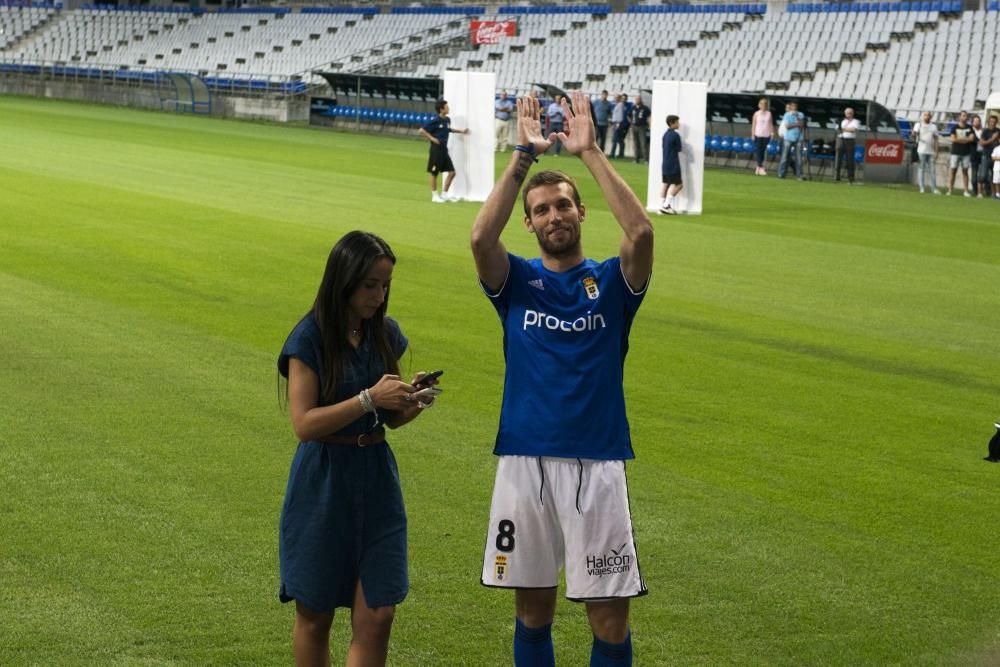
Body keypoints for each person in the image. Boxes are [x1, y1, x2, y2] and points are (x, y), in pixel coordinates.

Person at [470, 91, 653, 667]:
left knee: (609, 618)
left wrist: (591, 153)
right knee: (531, 612)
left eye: (564, 206)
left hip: (597, 463)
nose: (554, 216)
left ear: (581, 213)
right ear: (529, 223)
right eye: (542, 210)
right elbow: (479, 240)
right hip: (525, 461)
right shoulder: (517, 283)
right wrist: (522, 155)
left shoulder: (612, 282)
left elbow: (643, 234)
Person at [277, 231, 441, 667]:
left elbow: (390, 416)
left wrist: (414, 401)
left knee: (380, 613)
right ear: (343, 279)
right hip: (324, 482)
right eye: (370, 284)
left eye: (385, 284)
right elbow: (303, 423)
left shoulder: (384, 334)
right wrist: (368, 398)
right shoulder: (310, 337)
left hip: (377, 479)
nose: (379, 295)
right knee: (315, 613)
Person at [419, 99, 469, 203]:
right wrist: (432, 139)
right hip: (436, 150)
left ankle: (445, 194)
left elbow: (448, 129)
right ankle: (434, 196)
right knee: (434, 173)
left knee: (452, 172)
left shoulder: (447, 119)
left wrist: (461, 131)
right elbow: (421, 130)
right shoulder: (435, 120)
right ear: (441, 109)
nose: (448, 108)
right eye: (446, 106)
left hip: (444, 150)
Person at [658, 114, 683, 215]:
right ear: (672, 123)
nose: (678, 124)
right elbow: (679, 148)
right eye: (677, 122)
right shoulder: (675, 135)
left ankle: (661, 206)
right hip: (673, 163)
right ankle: (666, 205)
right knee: (679, 185)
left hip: (665, 163)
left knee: (666, 184)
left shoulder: (665, 135)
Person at [947, 110, 975, 196]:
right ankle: (950, 190)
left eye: (966, 116)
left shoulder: (970, 128)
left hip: (966, 153)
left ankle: (966, 191)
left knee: (965, 172)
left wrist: (959, 139)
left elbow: (972, 139)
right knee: (953, 171)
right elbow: (952, 139)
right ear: (960, 117)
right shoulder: (955, 128)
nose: (965, 118)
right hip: (955, 152)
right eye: (963, 116)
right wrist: (965, 140)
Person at [911, 111, 940, 194]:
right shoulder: (918, 125)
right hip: (921, 150)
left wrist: (937, 151)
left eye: (928, 115)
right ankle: (922, 188)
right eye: (925, 115)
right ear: (923, 116)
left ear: (930, 117)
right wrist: (914, 134)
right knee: (921, 169)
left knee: (932, 170)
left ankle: (934, 188)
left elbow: (936, 139)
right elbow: (913, 136)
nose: (927, 116)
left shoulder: (933, 126)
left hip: (930, 151)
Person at [777, 101, 805, 180]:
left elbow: (802, 125)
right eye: (792, 106)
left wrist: (797, 118)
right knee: (784, 156)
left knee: (799, 157)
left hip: (799, 138)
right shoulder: (787, 115)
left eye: (795, 106)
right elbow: (787, 126)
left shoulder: (800, 114)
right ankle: (781, 173)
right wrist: (796, 125)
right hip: (788, 138)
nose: (794, 108)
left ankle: (799, 175)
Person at [835, 107, 861, 184]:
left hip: (850, 141)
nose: (848, 114)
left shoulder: (856, 121)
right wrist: (846, 129)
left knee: (850, 159)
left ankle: (851, 177)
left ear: (852, 113)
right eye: (847, 113)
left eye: (850, 113)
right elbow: (837, 129)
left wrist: (843, 129)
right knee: (838, 158)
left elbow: (853, 130)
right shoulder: (842, 121)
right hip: (841, 140)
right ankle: (837, 176)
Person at [976, 115, 998, 198]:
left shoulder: (998, 131)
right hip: (986, 156)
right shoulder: (985, 131)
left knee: (994, 176)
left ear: (996, 122)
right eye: (991, 121)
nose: (992, 123)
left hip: (995, 157)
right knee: (983, 175)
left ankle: (994, 194)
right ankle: (979, 193)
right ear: (989, 122)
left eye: (994, 122)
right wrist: (992, 139)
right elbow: (981, 143)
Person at [750, 97, 773, 176]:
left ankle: (758, 167)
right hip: (758, 134)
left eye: (765, 104)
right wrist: (752, 134)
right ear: (759, 105)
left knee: (763, 151)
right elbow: (753, 125)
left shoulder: (769, 113)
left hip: (766, 135)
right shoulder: (756, 113)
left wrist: (772, 132)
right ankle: (761, 167)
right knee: (758, 151)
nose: (763, 105)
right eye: (762, 104)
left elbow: (770, 124)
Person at [629, 94, 651, 163]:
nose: (637, 100)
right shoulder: (633, 107)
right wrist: (631, 123)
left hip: (642, 127)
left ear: (641, 100)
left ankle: (646, 159)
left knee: (643, 143)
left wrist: (649, 124)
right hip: (634, 126)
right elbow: (628, 115)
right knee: (636, 143)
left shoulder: (645, 108)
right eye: (636, 99)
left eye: (638, 99)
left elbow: (649, 116)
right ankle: (636, 159)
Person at [609, 93, 627, 159]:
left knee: (615, 139)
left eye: (616, 97)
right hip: (616, 123)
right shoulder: (618, 105)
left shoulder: (620, 105)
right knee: (620, 140)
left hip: (617, 123)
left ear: (619, 98)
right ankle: (621, 154)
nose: (615, 99)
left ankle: (612, 154)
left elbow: (619, 115)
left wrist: (618, 124)